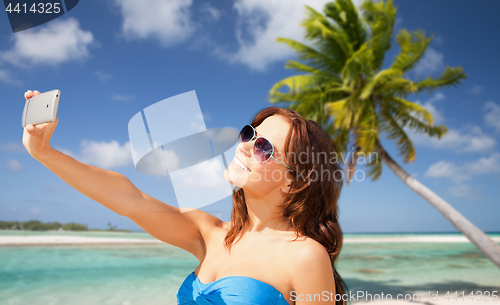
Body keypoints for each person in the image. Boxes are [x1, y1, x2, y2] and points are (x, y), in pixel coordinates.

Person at [22, 90, 348, 305]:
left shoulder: (305, 256)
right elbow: (129, 199)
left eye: (264, 148)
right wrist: (45, 153)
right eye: (249, 133)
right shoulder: (209, 233)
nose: (245, 145)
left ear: (292, 182)